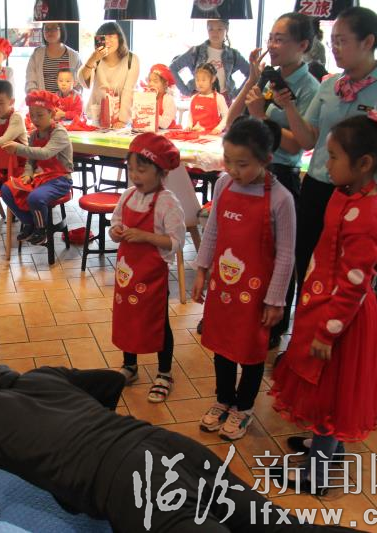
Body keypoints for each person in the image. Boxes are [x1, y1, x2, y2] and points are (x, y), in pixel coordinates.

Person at [0, 364, 355, 533]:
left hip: (133, 485)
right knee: (282, 528)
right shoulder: (34, 378)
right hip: (166, 446)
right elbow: (111, 380)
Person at [270, 114, 377, 495]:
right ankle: (328, 447)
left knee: (329, 392)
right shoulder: (345, 194)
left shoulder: (369, 215)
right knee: (324, 386)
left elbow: (355, 284)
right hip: (323, 304)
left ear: (364, 164)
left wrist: (327, 331)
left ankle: (317, 472)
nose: (326, 165)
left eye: (335, 157)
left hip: (341, 319)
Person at [274, 7, 377, 300]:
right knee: (308, 268)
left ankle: (338, 341)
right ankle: (306, 338)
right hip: (317, 190)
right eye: (332, 42)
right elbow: (306, 140)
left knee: (348, 278)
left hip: (364, 197)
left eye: (342, 41)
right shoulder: (330, 86)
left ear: (367, 42)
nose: (335, 49)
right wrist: (288, 106)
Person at [191, 118, 295, 441]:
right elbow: (212, 231)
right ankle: (223, 399)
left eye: (243, 164)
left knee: (251, 351)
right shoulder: (223, 185)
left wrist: (276, 300)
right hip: (223, 286)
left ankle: (243, 407)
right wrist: (202, 271)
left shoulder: (281, 199)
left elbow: (287, 255)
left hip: (258, 293)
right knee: (221, 344)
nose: (233, 170)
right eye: (229, 162)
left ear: (266, 160)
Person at [226, 12, 320, 348]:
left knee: (281, 254)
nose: (272, 45)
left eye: (281, 39)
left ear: (303, 45)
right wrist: (253, 79)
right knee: (244, 248)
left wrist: (262, 117)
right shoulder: (268, 77)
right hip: (249, 173)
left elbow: (299, 143)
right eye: (271, 37)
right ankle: (240, 311)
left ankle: (274, 325)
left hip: (281, 176)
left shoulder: (310, 87)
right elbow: (232, 118)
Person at [109, 133, 185, 402]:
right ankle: (130, 366)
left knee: (157, 323)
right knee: (127, 317)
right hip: (127, 273)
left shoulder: (168, 202)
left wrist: (146, 237)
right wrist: (116, 232)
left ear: (161, 171)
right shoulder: (128, 195)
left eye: (142, 170)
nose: (135, 176)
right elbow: (115, 223)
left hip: (152, 277)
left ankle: (164, 374)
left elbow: (176, 242)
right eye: (131, 169)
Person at [0, 91, 72, 246]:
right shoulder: (34, 135)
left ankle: (42, 230)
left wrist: (18, 148)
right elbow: (30, 160)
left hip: (60, 180)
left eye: (40, 115)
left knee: (35, 198)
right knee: (6, 190)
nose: (35, 119)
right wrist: (28, 173)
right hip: (41, 178)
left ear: (52, 114)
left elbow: (45, 154)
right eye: (32, 115)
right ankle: (30, 222)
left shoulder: (60, 133)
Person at [170, 19, 250, 102]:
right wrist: (186, 91)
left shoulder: (233, 54)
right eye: (211, 29)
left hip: (224, 100)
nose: (215, 33)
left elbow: (251, 73)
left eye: (219, 29)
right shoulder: (195, 52)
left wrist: (237, 93)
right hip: (200, 99)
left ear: (226, 29)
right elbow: (172, 68)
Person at [80, 22, 139, 128]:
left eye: (111, 36)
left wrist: (122, 120)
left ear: (119, 38)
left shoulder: (131, 59)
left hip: (119, 120)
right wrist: (92, 59)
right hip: (96, 116)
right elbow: (83, 82)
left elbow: (128, 91)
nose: (107, 41)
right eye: (103, 37)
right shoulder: (96, 59)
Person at [24, 22, 81, 94]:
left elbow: (80, 82)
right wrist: (36, 96)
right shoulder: (37, 54)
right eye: (47, 28)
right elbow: (30, 79)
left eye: (54, 28)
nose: (50, 31)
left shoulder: (74, 56)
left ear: (61, 30)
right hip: (43, 102)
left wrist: (72, 97)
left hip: (66, 103)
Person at [184, 63, 228, 134]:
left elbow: (226, 116)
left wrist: (218, 129)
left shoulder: (218, 98)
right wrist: (189, 126)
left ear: (213, 79)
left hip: (212, 137)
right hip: (195, 135)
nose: (200, 83)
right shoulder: (193, 98)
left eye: (203, 80)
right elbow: (190, 116)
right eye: (197, 80)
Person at [145, 63, 178, 130]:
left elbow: (165, 124)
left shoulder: (168, 100)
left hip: (167, 132)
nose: (151, 84)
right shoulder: (148, 97)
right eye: (150, 80)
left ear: (165, 84)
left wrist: (149, 111)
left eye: (155, 81)